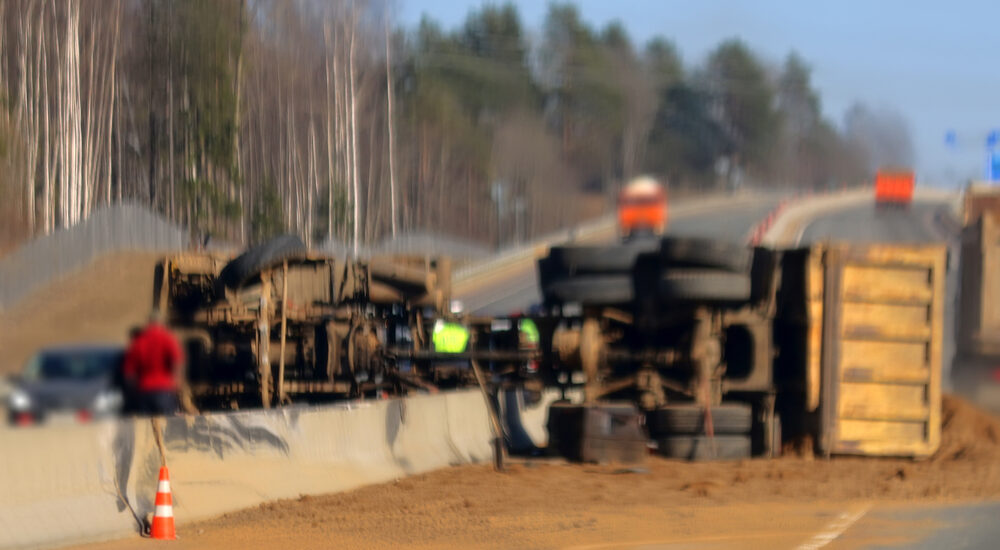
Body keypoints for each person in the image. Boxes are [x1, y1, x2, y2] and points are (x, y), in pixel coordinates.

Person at [123, 312, 183, 416]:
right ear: (161, 323)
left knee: (146, 426)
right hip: (164, 389)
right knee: (168, 424)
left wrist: (134, 390)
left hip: (144, 391)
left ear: (148, 323)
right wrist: (176, 381)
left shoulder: (139, 342)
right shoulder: (168, 339)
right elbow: (177, 361)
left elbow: (129, 372)